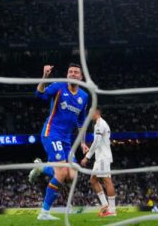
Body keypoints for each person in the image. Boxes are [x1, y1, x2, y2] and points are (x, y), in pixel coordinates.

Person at [28, 63, 89, 221]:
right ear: (67, 75)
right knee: (61, 172)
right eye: (70, 72)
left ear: (81, 77)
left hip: (67, 141)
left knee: (72, 175)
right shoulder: (59, 87)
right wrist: (45, 77)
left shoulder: (84, 96)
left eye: (76, 72)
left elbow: (81, 122)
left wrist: (82, 142)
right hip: (51, 133)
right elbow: (39, 94)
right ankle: (44, 213)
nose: (73, 74)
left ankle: (42, 168)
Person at [80, 107, 116, 217]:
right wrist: (88, 148)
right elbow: (97, 143)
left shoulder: (101, 124)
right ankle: (105, 205)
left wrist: (87, 157)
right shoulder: (97, 124)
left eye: (90, 112)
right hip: (99, 157)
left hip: (103, 158)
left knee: (107, 180)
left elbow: (97, 141)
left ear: (96, 113)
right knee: (93, 180)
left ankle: (112, 210)